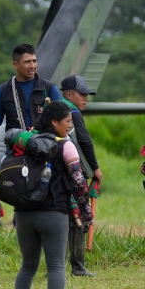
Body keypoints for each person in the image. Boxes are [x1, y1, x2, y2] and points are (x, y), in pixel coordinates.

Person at [12, 101, 93, 289]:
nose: (70, 126)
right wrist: (86, 212)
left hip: (23, 212)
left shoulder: (27, 143)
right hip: (53, 211)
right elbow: (78, 182)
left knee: (28, 265)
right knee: (56, 265)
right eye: (68, 121)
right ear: (55, 122)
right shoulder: (65, 145)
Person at [59, 75, 103, 277]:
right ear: (69, 95)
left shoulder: (55, 109)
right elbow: (85, 141)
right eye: (82, 94)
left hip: (54, 172)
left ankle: (56, 265)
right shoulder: (73, 112)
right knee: (77, 216)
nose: (86, 98)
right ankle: (78, 265)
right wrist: (95, 168)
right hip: (72, 171)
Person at [0, 44, 61, 132]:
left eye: (34, 61)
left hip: (43, 142)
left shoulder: (49, 88)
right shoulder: (3, 90)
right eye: (27, 62)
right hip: (15, 143)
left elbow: (61, 118)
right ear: (15, 65)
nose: (32, 66)